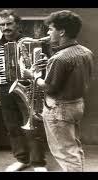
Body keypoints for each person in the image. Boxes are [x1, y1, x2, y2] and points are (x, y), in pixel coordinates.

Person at [23, 10, 94, 172]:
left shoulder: (59, 58)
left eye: (50, 29)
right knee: (74, 148)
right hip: (77, 105)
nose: (48, 33)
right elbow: (71, 75)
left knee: (64, 152)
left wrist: (32, 75)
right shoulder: (85, 51)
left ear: (61, 32)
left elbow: (49, 87)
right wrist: (49, 64)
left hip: (59, 109)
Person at [0, 9, 48, 172]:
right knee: (12, 126)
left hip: (29, 89)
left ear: (17, 24)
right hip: (5, 89)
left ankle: (38, 163)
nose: (6, 27)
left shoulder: (32, 42)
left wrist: (43, 63)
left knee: (33, 126)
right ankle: (22, 159)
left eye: (9, 23)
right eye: (2, 25)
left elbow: (45, 66)